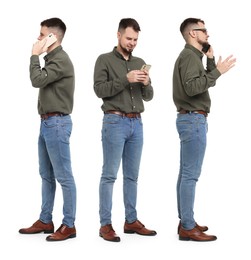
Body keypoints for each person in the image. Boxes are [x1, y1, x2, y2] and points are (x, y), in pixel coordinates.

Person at [173, 17, 236, 241]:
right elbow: (193, 89)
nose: (208, 34)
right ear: (193, 33)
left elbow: (203, 83)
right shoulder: (190, 56)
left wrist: (210, 63)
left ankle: (186, 221)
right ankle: (187, 226)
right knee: (190, 175)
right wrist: (218, 70)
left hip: (189, 119)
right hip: (193, 120)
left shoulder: (193, 56)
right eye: (204, 30)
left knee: (185, 174)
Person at [93, 18, 157, 242]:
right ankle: (105, 225)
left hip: (136, 123)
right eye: (129, 38)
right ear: (118, 35)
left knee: (132, 176)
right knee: (109, 175)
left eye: (136, 40)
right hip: (114, 122)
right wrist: (125, 79)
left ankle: (131, 220)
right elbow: (99, 90)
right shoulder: (104, 59)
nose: (132, 43)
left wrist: (147, 83)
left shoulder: (139, 61)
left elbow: (148, 98)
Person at [19, 17, 77, 242]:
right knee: (46, 175)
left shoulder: (60, 60)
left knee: (64, 176)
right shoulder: (53, 59)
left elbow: (37, 80)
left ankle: (69, 224)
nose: (38, 38)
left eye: (42, 35)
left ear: (53, 37)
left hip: (57, 124)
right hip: (47, 123)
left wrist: (34, 54)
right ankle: (45, 219)